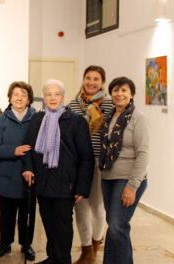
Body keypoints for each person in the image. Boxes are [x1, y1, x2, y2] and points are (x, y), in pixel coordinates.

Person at [22, 79, 94, 264]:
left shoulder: (76, 121)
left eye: (56, 94)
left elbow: (86, 158)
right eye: (48, 94)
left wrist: (81, 188)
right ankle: (52, 257)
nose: (52, 98)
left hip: (65, 184)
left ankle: (62, 260)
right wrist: (28, 168)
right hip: (43, 182)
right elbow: (27, 148)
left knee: (62, 227)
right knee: (48, 223)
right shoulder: (37, 119)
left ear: (63, 97)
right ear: (44, 97)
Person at [99, 77, 149, 264]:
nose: (119, 94)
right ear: (110, 93)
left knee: (117, 226)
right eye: (116, 90)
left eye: (124, 90)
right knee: (117, 226)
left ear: (132, 94)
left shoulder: (138, 118)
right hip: (108, 177)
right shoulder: (110, 116)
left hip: (128, 179)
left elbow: (143, 154)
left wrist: (132, 186)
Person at [69, 65, 114, 264]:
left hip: (100, 163)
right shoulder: (74, 104)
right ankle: (86, 250)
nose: (91, 82)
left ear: (102, 82)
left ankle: (96, 243)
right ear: (83, 79)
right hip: (78, 163)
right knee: (80, 206)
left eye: (96, 79)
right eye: (88, 78)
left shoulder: (111, 104)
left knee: (97, 207)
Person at [0, 81, 36, 260]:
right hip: (8, 174)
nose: (19, 98)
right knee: (7, 214)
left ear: (29, 99)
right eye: (16, 94)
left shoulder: (36, 118)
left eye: (23, 95)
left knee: (27, 214)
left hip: (30, 175)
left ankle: (26, 245)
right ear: (9, 98)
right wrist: (14, 151)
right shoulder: (2, 120)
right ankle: (5, 243)